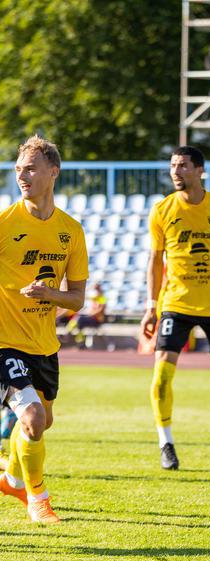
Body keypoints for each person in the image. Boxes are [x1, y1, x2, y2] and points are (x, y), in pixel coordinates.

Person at [140, 146, 210, 471]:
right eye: (173, 166)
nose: (176, 172)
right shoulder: (162, 210)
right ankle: (166, 443)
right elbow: (154, 261)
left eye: (183, 166)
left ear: (200, 170)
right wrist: (151, 305)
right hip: (175, 303)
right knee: (161, 374)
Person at [0, 136, 89, 523]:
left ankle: (12, 478)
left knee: (41, 422)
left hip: (44, 345)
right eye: (19, 169)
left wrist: (49, 293)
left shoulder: (71, 231)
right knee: (33, 419)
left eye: (31, 168)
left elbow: (78, 299)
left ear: (53, 171)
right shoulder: (4, 224)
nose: (23, 175)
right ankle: (39, 499)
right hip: (5, 342)